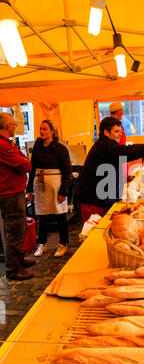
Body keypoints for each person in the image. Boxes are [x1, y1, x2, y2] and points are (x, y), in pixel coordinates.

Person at [78, 116, 144, 223]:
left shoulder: (109, 145)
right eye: (116, 131)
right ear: (106, 132)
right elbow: (127, 151)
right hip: (93, 200)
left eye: (121, 131)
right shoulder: (104, 146)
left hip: (103, 196)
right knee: (92, 229)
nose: (120, 134)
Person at [27, 119, 72, 258]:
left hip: (56, 186)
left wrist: (64, 191)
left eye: (45, 129)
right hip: (39, 185)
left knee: (60, 216)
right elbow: (32, 168)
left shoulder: (61, 149)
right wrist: (29, 189)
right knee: (42, 215)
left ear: (52, 132)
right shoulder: (37, 147)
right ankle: (42, 244)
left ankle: (63, 244)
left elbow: (67, 171)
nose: (42, 131)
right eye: (41, 129)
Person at [0, 112, 34, 281]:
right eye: (13, 124)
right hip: (10, 194)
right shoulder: (3, 145)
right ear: (8, 127)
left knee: (19, 229)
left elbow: (23, 161)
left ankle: (18, 260)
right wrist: (25, 159)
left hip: (13, 192)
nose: (15, 127)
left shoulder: (7, 143)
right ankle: (13, 270)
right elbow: (25, 164)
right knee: (15, 231)